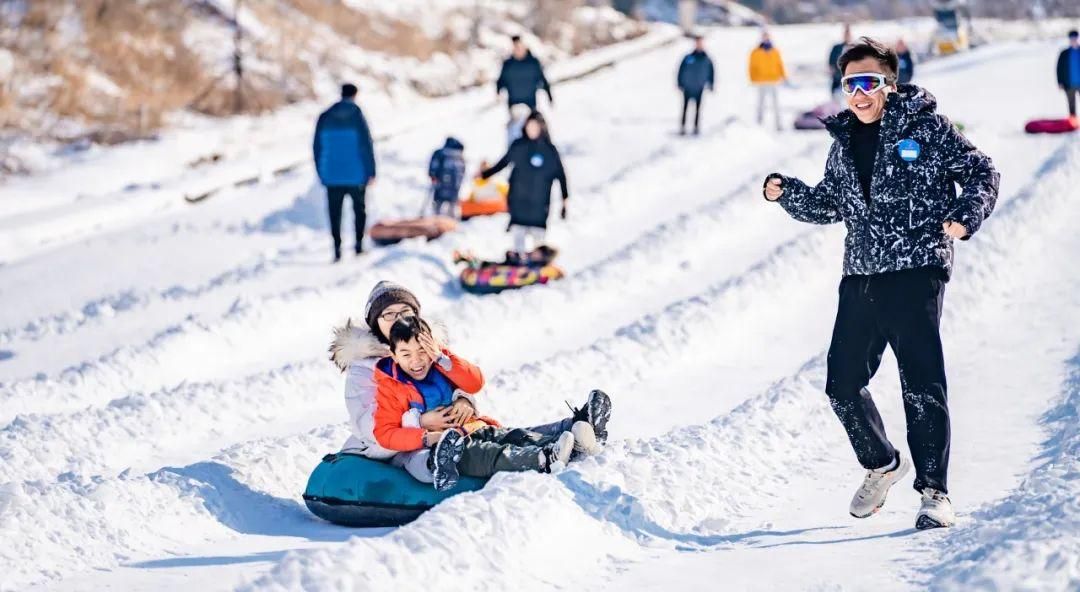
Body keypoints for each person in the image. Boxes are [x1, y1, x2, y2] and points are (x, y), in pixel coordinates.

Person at [761, 38, 999, 530]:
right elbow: (830, 203)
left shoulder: (927, 128)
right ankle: (882, 462)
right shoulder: (843, 141)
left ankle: (934, 492)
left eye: (870, 82)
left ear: (890, 84)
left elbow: (982, 171)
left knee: (921, 383)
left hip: (916, 269)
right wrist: (787, 193)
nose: (860, 93)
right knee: (841, 384)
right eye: (851, 84)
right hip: (862, 274)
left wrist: (963, 216)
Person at [329, 281, 610, 483]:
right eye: (388, 315)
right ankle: (543, 454)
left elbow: (463, 381)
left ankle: (575, 430)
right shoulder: (368, 369)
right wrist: (422, 423)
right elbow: (370, 425)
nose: (397, 320)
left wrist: (463, 400)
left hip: (453, 427)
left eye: (405, 313)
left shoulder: (427, 347)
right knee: (482, 449)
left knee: (500, 433)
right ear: (375, 322)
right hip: (401, 446)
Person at [373, 316, 606, 491]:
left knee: (514, 436)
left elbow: (475, 382)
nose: (416, 361)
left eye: (422, 351)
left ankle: (574, 445)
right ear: (393, 355)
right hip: (449, 446)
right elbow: (385, 433)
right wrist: (424, 436)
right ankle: (542, 459)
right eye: (406, 354)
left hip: (474, 426)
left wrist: (443, 358)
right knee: (489, 454)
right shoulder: (389, 386)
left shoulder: (439, 363)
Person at [479, 111, 568, 264]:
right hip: (518, 201)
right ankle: (517, 263)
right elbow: (503, 163)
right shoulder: (518, 146)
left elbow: (561, 176)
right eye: (529, 126)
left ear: (542, 127)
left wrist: (565, 199)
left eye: (535, 126)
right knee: (518, 232)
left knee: (537, 236)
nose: (531, 129)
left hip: (539, 203)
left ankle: (539, 264)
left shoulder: (549, 150)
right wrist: (485, 174)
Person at [313, 83, 377, 262]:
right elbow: (366, 145)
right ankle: (358, 245)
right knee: (359, 211)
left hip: (332, 176)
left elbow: (317, 147)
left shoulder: (325, 116)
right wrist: (371, 171)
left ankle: (337, 249)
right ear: (355, 95)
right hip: (356, 175)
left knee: (335, 213)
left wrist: (321, 171)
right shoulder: (357, 115)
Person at [496, 35, 553, 112]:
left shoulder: (533, 62)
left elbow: (542, 79)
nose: (518, 49)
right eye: (515, 47)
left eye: (519, 46)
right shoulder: (508, 64)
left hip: (531, 104)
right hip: (514, 105)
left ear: (524, 46)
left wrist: (549, 96)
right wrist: (498, 92)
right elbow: (501, 81)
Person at [748, 30, 787, 131]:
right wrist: (753, 78)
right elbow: (751, 66)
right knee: (761, 103)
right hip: (761, 81)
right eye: (764, 36)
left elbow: (780, 64)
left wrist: (784, 76)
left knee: (776, 104)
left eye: (767, 36)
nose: (766, 38)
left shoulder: (775, 51)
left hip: (774, 80)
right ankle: (758, 124)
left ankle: (779, 125)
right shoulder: (755, 52)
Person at [677, 34, 715, 135]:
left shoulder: (707, 59)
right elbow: (681, 70)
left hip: (699, 87)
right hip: (688, 86)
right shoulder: (688, 57)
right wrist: (680, 82)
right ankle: (683, 127)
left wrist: (711, 84)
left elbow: (711, 72)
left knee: (698, 109)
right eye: (697, 43)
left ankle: (696, 127)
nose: (699, 45)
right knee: (685, 108)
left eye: (701, 43)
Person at [428, 137, 466, 218]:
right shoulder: (459, 156)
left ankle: (437, 219)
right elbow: (462, 171)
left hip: (441, 184)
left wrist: (432, 175)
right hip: (453, 185)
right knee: (450, 204)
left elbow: (433, 166)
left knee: (438, 203)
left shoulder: (440, 153)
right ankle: (449, 221)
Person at [1056, 30, 1080, 118]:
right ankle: (1073, 122)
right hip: (1069, 84)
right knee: (1071, 104)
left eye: (1075, 38)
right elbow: (1059, 69)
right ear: (1069, 39)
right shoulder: (1064, 53)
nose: (1073, 40)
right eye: (1071, 38)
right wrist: (1060, 82)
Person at [828, 25, 853, 100]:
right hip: (837, 75)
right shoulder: (836, 47)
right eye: (845, 34)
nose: (847, 36)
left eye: (848, 34)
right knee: (836, 94)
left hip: (849, 76)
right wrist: (832, 69)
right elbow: (831, 60)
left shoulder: (854, 47)